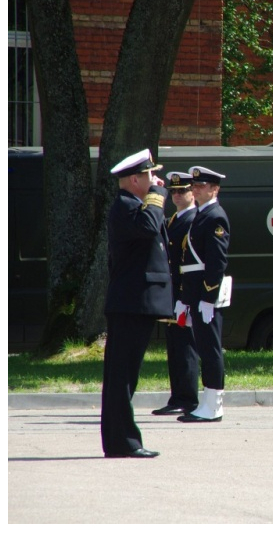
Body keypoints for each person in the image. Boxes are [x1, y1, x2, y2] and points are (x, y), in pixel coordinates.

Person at [101, 149, 172, 458]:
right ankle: (123, 442)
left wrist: (153, 195)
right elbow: (148, 227)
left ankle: (123, 441)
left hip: (134, 303)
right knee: (121, 376)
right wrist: (157, 194)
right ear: (134, 179)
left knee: (125, 375)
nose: (154, 179)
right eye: (148, 175)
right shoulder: (126, 207)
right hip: (130, 303)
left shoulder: (133, 205)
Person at [176, 165, 231, 423]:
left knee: (210, 349)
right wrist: (186, 300)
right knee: (204, 348)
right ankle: (207, 403)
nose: (195, 189)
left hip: (206, 295)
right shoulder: (201, 214)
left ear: (214, 189)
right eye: (194, 186)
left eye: (200, 186)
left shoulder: (215, 216)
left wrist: (208, 298)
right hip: (196, 292)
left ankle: (214, 405)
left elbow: (216, 262)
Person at [151, 172, 200, 416]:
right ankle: (177, 396)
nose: (177, 195)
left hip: (185, 293)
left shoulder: (194, 220)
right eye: (174, 191)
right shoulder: (172, 220)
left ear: (193, 193)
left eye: (183, 191)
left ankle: (189, 399)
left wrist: (185, 296)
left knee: (186, 348)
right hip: (172, 293)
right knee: (174, 347)